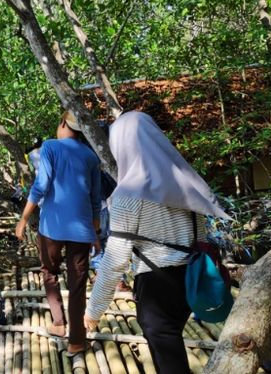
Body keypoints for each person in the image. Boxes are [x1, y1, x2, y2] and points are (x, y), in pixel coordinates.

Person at [84, 111, 230, 373]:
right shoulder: (186, 181)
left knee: (169, 363)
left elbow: (115, 261)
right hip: (192, 279)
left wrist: (93, 310)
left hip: (156, 287)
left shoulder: (128, 195)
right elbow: (202, 235)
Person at [15, 110, 102, 356]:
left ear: (63, 123)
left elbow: (41, 185)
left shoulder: (50, 147)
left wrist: (23, 218)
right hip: (83, 230)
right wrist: (95, 233)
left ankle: (58, 322)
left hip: (51, 228)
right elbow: (95, 200)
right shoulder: (91, 156)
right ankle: (76, 341)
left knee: (49, 272)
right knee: (77, 285)